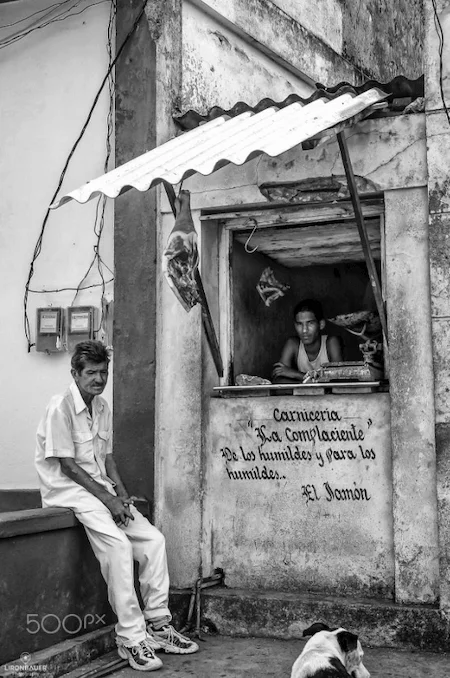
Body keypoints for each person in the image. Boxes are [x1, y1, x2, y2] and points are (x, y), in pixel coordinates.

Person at [35, 340, 198, 672]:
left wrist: (121, 495)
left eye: (103, 372)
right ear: (75, 373)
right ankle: (131, 638)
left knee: (153, 541)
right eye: (91, 372)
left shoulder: (102, 407)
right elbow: (68, 466)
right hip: (71, 492)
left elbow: (107, 459)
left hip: (101, 490)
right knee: (119, 548)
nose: (98, 379)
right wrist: (108, 500)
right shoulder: (60, 407)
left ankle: (158, 625)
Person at [272, 299, 343, 383]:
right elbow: (279, 379)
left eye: (310, 323)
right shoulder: (293, 344)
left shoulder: (331, 343)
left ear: (321, 324)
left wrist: (298, 375)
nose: (304, 330)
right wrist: (313, 383)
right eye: (300, 324)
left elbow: (339, 378)